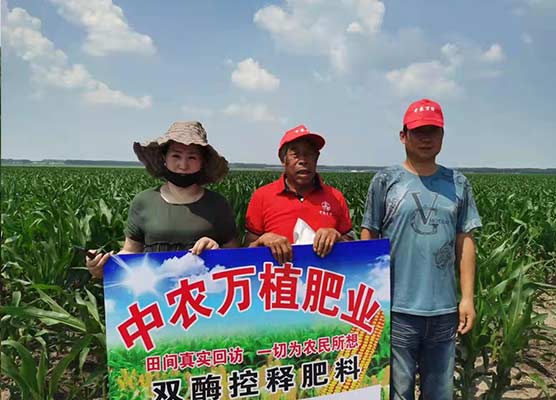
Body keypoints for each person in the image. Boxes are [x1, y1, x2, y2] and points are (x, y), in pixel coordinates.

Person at [360, 99, 482, 400]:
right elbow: (368, 236)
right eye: (418, 132)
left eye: (433, 131)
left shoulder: (457, 183)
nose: (426, 138)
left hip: (444, 311)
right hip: (396, 310)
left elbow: (465, 241)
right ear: (403, 136)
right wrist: (371, 300)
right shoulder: (385, 181)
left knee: (439, 393)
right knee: (398, 393)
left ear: (442, 136)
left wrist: (467, 298)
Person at [87, 121, 237, 278]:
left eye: (192, 157)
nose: (183, 165)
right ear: (164, 158)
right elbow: (130, 251)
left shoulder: (218, 204)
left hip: (201, 289)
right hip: (153, 289)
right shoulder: (143, 201)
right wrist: (105, 266)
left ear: (203, 162)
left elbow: (235, 256)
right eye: (176, 156)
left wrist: (217, 250)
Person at [244, 124, 354, 264]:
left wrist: (337, 237)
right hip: (280, 277)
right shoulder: (261, 196)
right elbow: (246, 250)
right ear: (283, 160)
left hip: (324, 276)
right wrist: (263, 239)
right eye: (295, 154)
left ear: (316, 158)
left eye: (309, 154)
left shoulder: (335, 197)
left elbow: (354, 248)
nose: (303, 161)